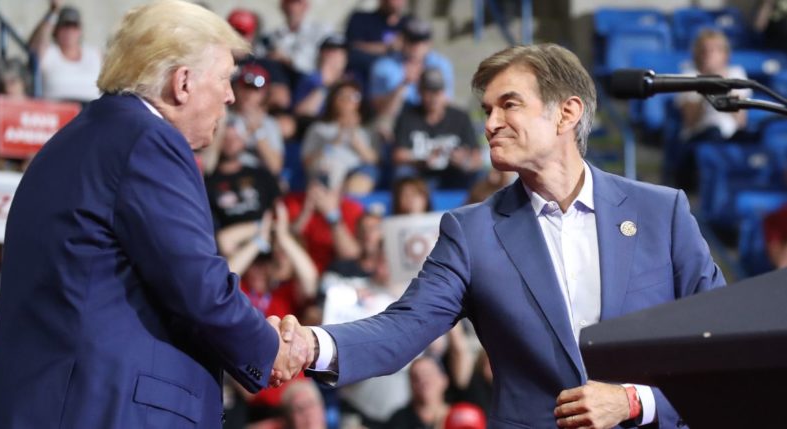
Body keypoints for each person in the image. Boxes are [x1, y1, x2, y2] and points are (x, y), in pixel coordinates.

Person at [284, 43, 725, 428]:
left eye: (509, 105)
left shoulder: (660, 212)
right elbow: (403, 328)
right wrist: (311, 344)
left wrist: (635, 400)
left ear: (566, 113)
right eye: (487, 111)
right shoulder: (471, 232)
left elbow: (716, 344)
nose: (491, 123)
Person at [0, 2, 313, 428]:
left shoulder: (74, 139)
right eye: (225, 78)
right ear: (182, 82)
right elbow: (198, 287)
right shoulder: (149, 141)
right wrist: (270, 349)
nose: (230, 94)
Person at [392, 68, 482, 189]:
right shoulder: (408, 117)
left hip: (455, 173)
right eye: (428, 91)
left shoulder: (460, 117)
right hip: (420, 175)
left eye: (437, 91)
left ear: (444, 93)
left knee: (480, 176)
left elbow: (477, 157)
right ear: (420, 92)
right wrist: (421, 159)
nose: (433, 97)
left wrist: (464, 162)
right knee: (403, 173)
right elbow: (398, 155)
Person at [369, 17, 454, 129]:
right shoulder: (383, 66)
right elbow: (381, 110)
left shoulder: (441, 65)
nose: (417, 46)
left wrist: (424, 86)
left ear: (429, 43)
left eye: (422, 41)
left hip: (429, 122)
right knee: (382, 125)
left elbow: (444, 104)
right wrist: (403, 84)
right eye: (412, 41)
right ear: (403, 40)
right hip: (397, 122)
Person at [675, 29, 751, 143]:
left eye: (714, 50)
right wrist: (706, 89)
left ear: (724, 54)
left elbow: (740, 121)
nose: (708, 54)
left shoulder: (736, 73)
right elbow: (690, 121)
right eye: (703, 50)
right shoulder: (688, 76)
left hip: (730, 138)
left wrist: (724, 87)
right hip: (699, 139)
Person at [28, 1, 101, 102]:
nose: (69, 31)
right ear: (55, 30)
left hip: (91, 112)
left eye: (73, 26)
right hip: (57, 112)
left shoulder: (94, 54)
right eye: (64, 26)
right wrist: (53, 12)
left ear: (80, 30)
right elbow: (34, 45)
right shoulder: (49, 53)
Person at [264, 0, 333, 76]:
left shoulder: (320, 31)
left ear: (306, 6)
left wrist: (287, 59)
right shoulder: (273, 35)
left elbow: (315, 66)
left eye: (297, 3)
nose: (292, 7)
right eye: (289, 3)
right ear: (282, 6)